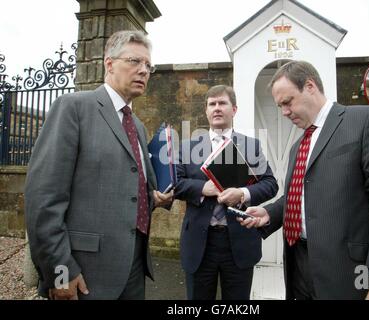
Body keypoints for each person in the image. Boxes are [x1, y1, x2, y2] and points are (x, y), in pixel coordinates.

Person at [240, 60, 369, 300]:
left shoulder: (367, 121)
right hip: (297, 264)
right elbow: (300, 196)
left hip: (348, 272)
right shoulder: (297, 146)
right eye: (279, 106)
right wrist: (270, 213)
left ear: (310, 86)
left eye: (287, 102)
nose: (284, 112)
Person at [24, 30, 173, 300]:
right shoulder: (73, 108)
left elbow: (126, 190)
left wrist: (152, 198)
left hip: (134, 267)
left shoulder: (137, 125)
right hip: (84, 274)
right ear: (109, 63)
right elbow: (43, 198)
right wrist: (59, 272)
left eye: (148, 65)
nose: (144, 71)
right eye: (134, 61)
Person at [174, 85, 278, 300]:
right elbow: (175, 184)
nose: (217, 108)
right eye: (212, 104)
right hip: (200, 244)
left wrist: (241, 193)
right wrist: (203, 188)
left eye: (222, 103)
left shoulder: (251, 146)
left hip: (239, 242)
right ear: (206, 110)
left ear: (234, 109)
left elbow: (270, 184)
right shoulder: (187, 147)